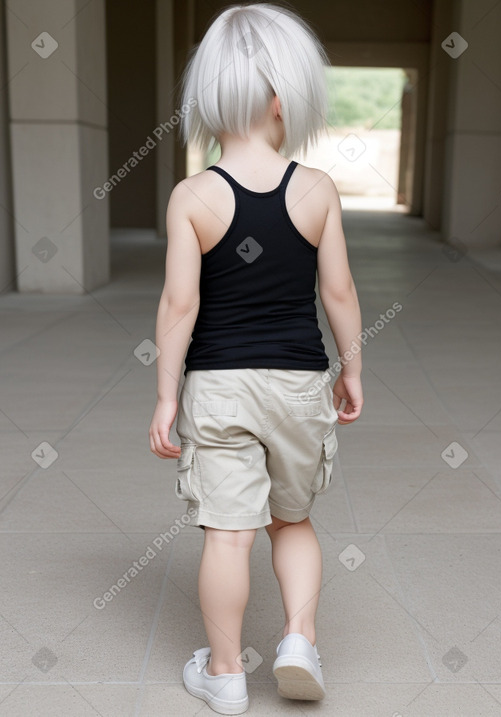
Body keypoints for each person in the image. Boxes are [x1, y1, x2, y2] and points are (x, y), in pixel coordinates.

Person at [149, 2, 363, 713]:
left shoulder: (195, 196)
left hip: (221, 387)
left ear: (210, 96)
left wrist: (166, 397)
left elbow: (179, 308)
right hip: (301, 383)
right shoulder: (317, 191)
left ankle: (225, 672)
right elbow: (338, 293)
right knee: (292, 521)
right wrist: (352, 368)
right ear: (283, 97)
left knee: (228, 535)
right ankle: (299, 638)